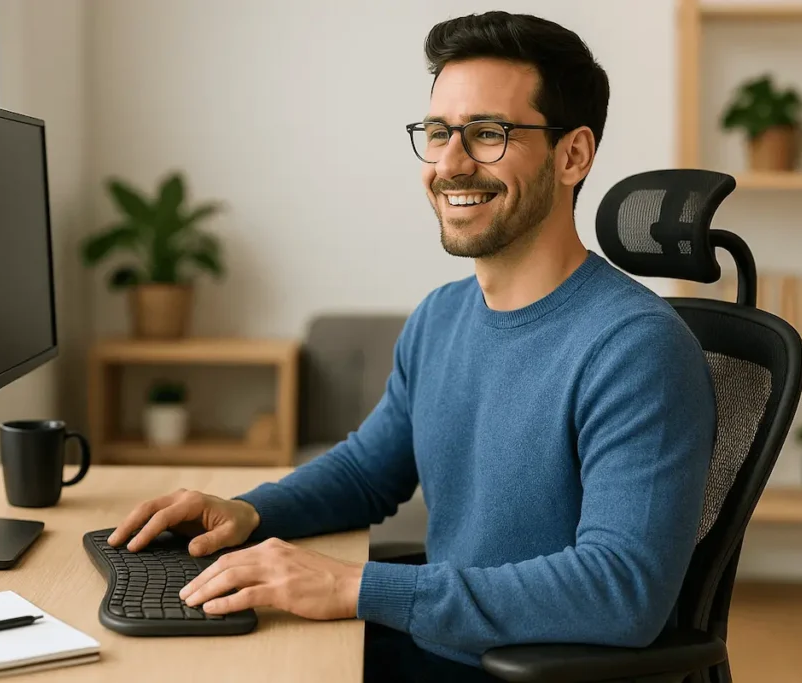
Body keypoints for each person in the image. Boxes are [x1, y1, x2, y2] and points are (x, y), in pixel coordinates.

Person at [107, 11, 716, 682]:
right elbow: (369, 471)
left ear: (572, 155)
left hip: (517, 670)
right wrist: (251, 510)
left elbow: (621, 590)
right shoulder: (441, 316)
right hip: (434, 643)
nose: (449, 164)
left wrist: (353, 587)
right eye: (437, 133)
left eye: (488, 134)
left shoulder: (637, 348)